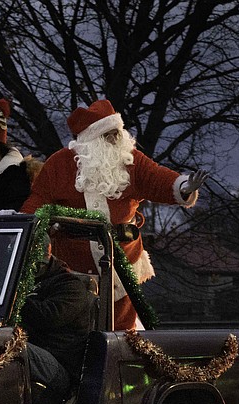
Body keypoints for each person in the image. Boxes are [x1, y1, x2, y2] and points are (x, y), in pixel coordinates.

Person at [20, 97, 207, 330]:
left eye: (118, 132)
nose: (117, 139)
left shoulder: (130, 160)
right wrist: (20, 222)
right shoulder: (59, 165)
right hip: (73, 266)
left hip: (123, 261)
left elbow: (156, 177)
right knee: (76, 326)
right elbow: (38, 202)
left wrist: (183, 187)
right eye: (109, 135)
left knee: (122, 326)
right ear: (90, 141)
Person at [20, 243, 92, 404]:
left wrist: (16, 300)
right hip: (39, 356)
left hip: (59, 366)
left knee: (8, 346)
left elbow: (50, 316)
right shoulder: (21, 283)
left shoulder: (70, 286)